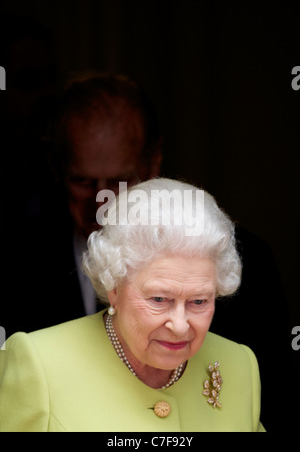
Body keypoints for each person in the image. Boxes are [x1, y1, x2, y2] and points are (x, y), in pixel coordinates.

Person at [0, 177, 264, 432]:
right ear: (114, 287)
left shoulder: (238, 364)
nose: (180, 325)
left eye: (198, 301)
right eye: (159, 299)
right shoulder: (40, 363)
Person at [0, 72, 162, 336]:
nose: (101, 203)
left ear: (153, 163)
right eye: (82, 182)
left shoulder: (220, 262)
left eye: (117, 182)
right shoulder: (11, 268)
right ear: (57, 169)